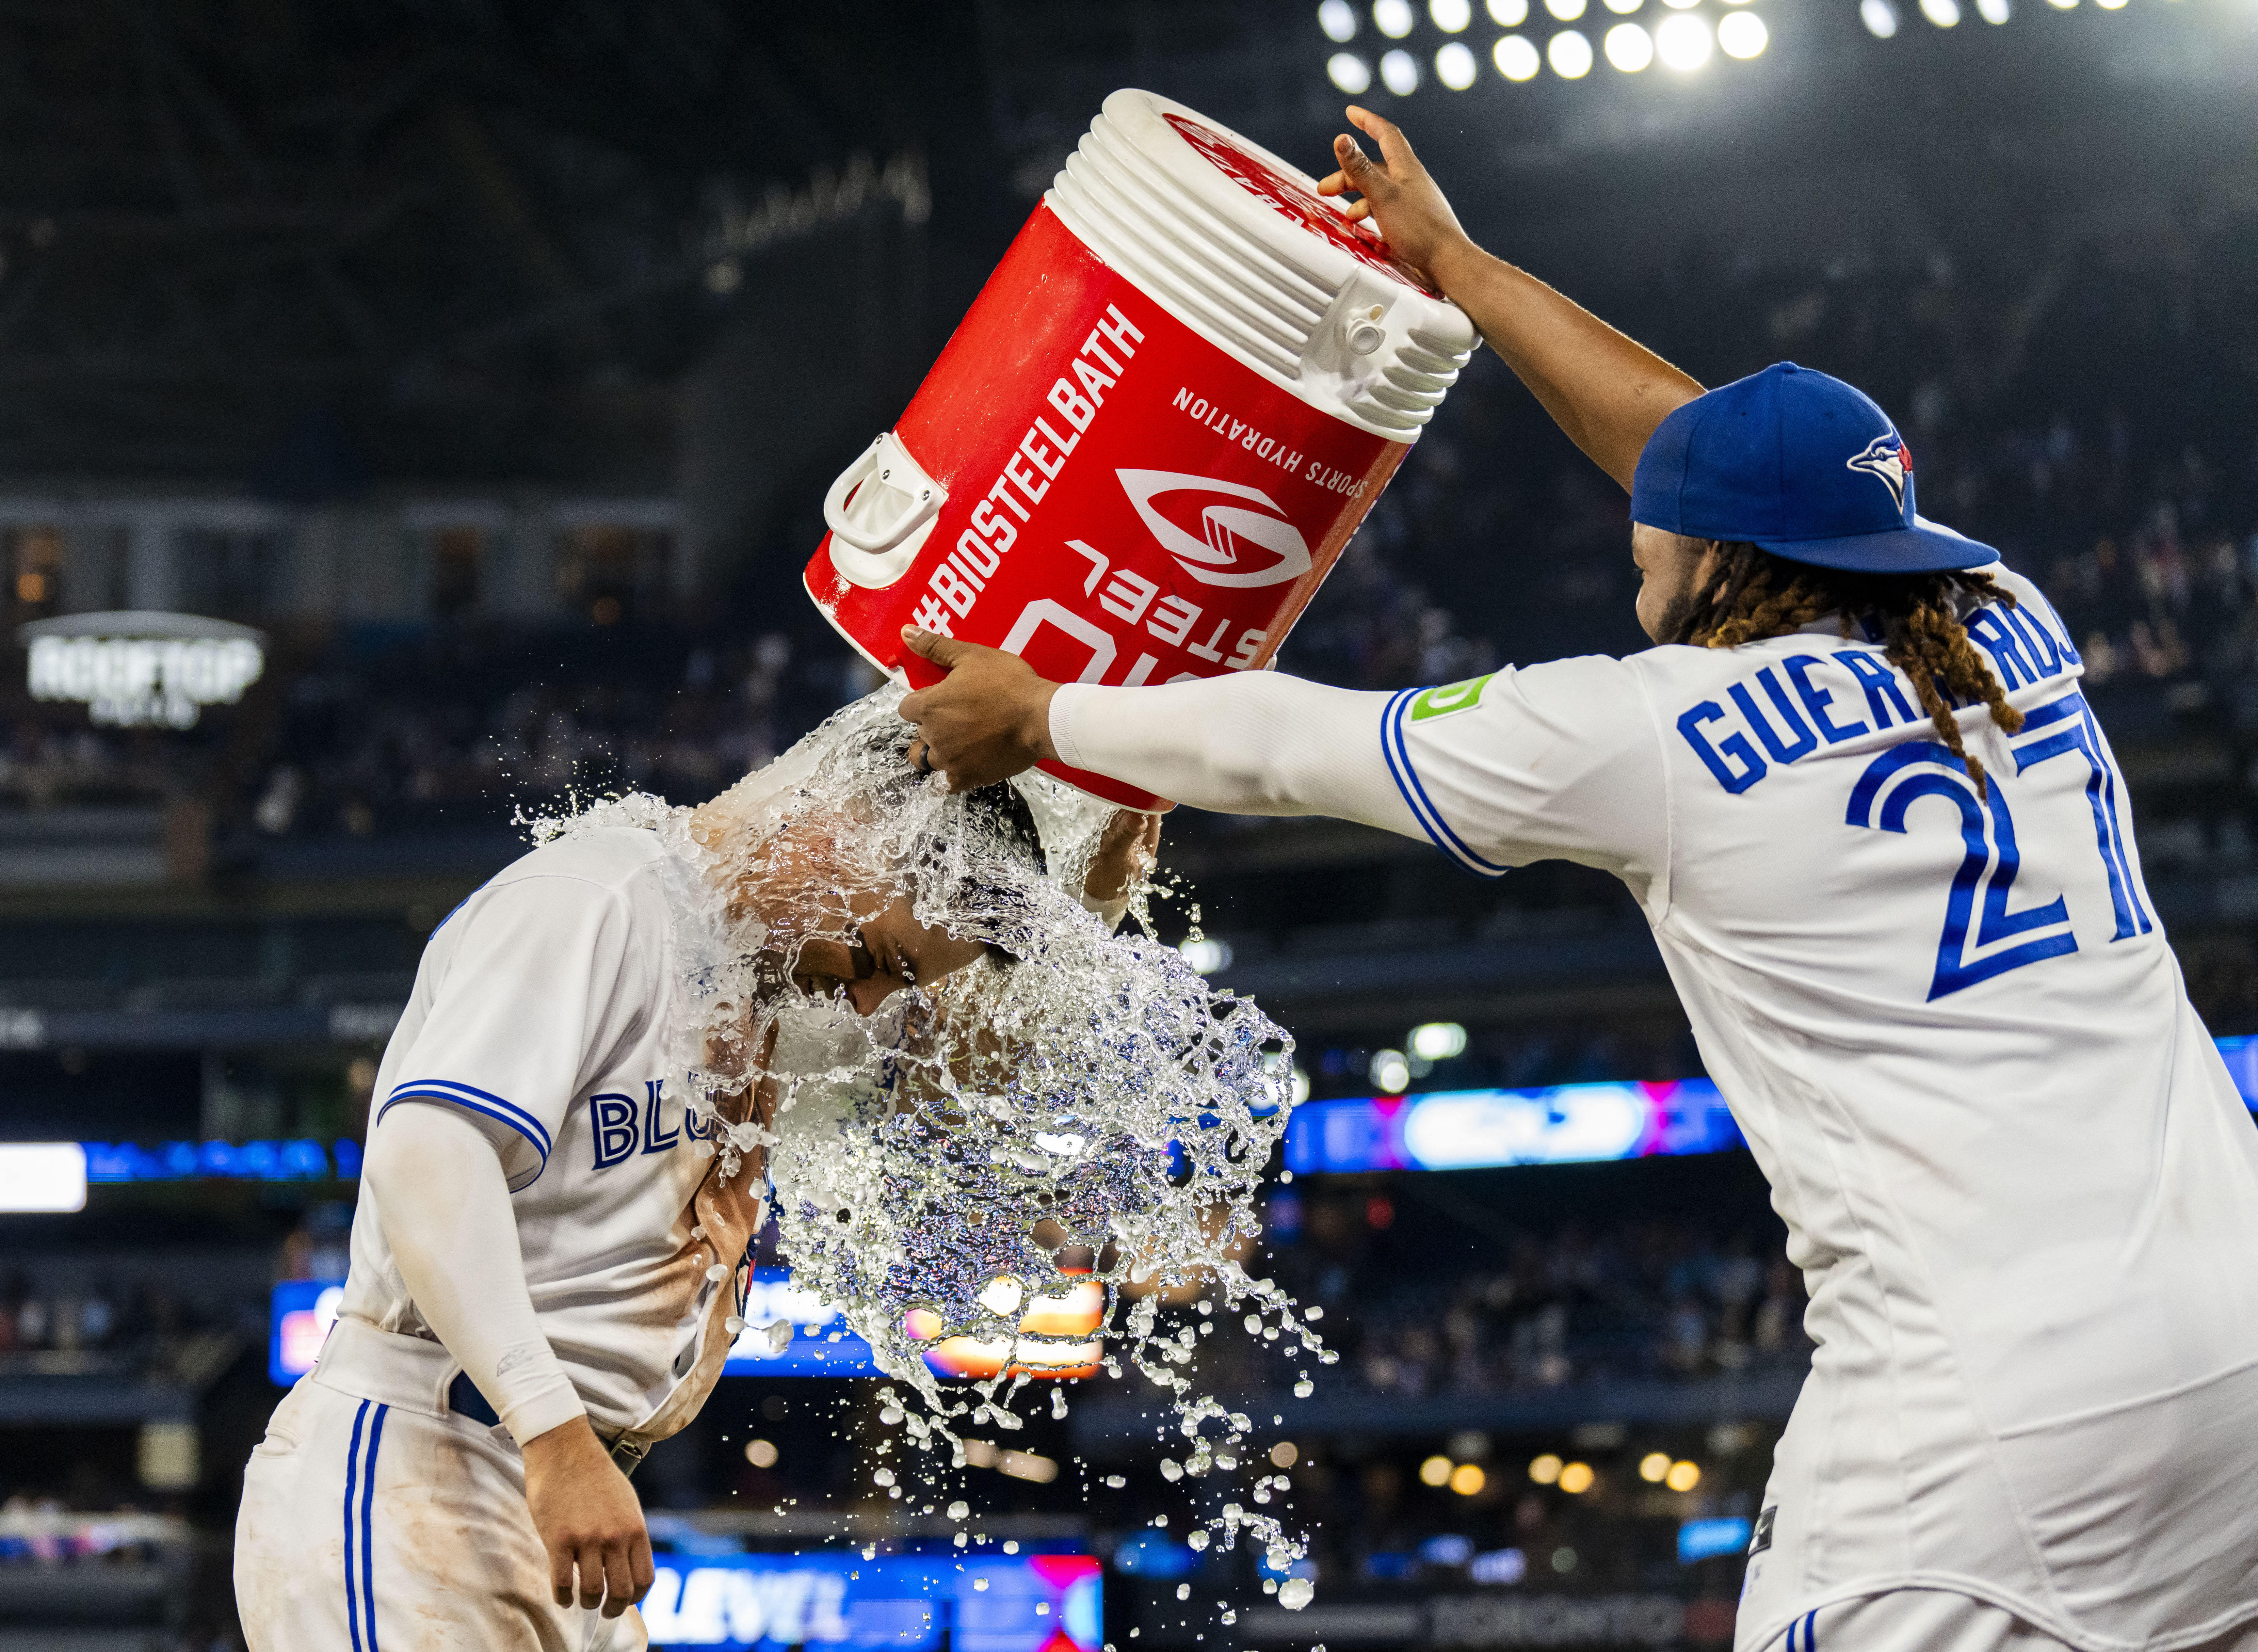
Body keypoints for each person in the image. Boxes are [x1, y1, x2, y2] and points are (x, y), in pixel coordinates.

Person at [896, 107, 2258, 1652]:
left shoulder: (1652, 729)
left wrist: (1039, 714)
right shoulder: (2000, 611)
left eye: (1650, 538)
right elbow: (1705, 451)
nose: (1633, 546)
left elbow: (1288, 742)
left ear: (1718, 556)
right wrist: (1455, 266)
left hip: (1996, 1415)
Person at [233, 705, 1155, 1652]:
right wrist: (553, 1436)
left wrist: (1088, 906)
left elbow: (959, 1089)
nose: (872, 996)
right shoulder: (597, 898)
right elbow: (426, 1154)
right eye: (881, 960)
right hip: (430, 1458)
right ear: (840, 832)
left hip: (560, 1486)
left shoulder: (758, 962)